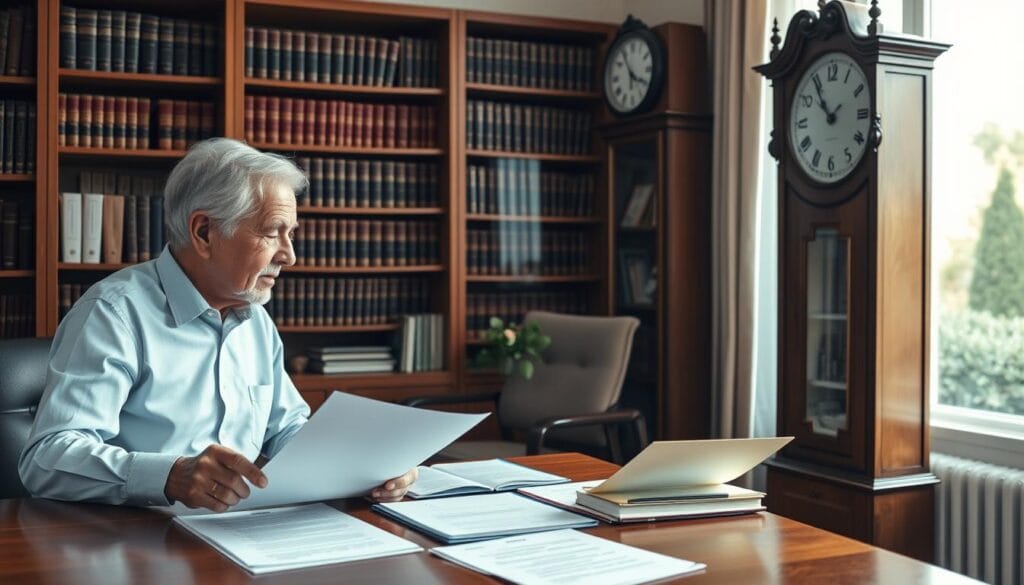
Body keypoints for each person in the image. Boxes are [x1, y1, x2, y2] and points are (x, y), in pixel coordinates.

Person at [18, 138, 416, 512]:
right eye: (271, 233)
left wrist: (365, 466)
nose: (290, 256)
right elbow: (47, 457)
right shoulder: (114, 313)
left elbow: (288, 428)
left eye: (290, 234)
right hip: (133, 541)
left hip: (241, 533)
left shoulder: (254, 319)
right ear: (204, 232)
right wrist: (170, 476)